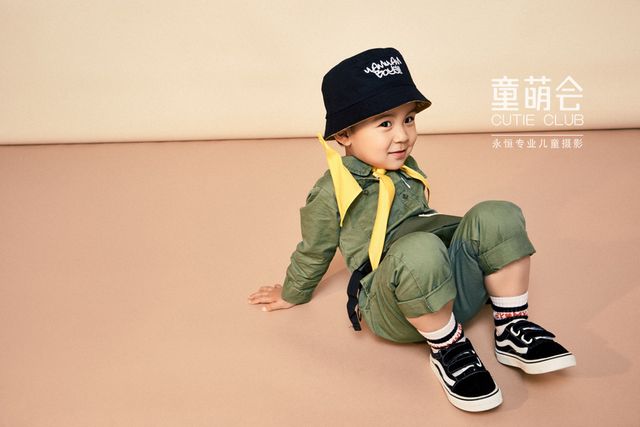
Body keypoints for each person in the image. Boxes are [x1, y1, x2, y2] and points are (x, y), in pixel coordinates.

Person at [247, 47, 576, 412]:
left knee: (498, 213)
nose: (402, 135)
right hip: (396, 306)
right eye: (385, 124)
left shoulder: (405, 166)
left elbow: (421, 217)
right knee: (419, 249)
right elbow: (315, 248)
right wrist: (292, 292)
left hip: (447, 287)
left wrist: (466, 244)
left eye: (408, 119)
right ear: (344, 134)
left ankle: (511, 326)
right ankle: (448, 348)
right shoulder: (331, 191)